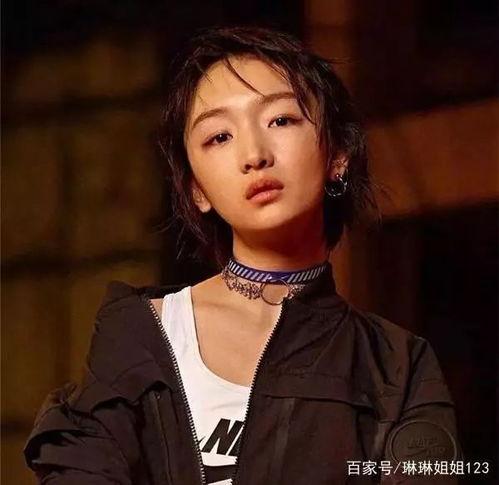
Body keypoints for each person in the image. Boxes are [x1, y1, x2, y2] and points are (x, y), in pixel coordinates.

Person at [24, 26, 460, 484]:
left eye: (281, 120)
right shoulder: (143, 331)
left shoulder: (398, 367)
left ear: (338, 154)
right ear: (196, 189)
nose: (253, 155)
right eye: (219, 137)